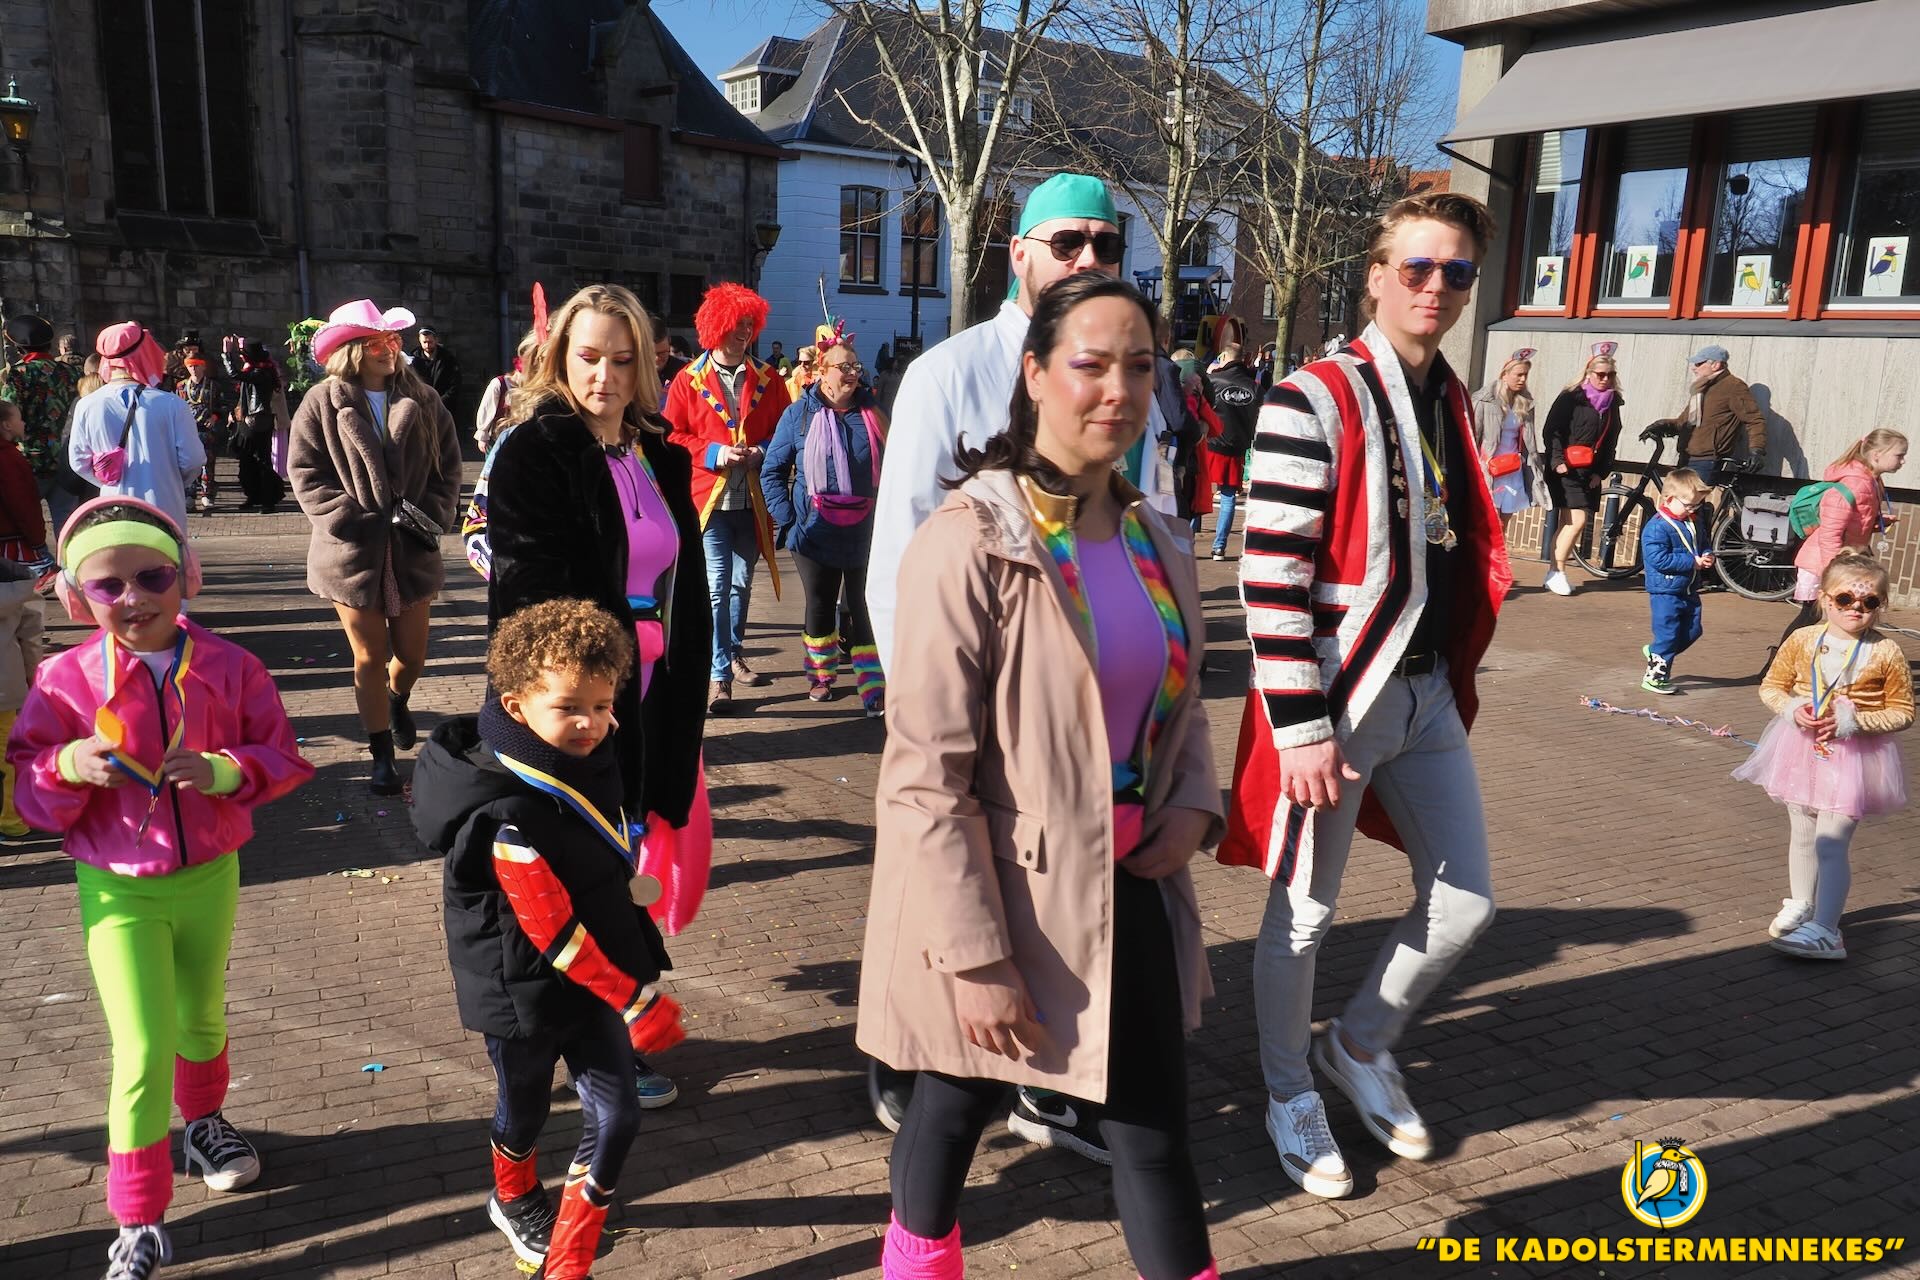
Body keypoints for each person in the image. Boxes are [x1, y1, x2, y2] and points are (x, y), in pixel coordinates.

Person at [858, 273, 1223, 1280]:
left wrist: (1195, 801)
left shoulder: (1156, 537)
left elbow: (1183, 698)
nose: (1119, 390)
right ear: (1034, 373)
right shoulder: (969, 541)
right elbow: (925, 775)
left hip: (1128, 883)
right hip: (1000, 893)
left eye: (1140, 366)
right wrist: (975, 955)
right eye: (1091, 364)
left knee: (1152, 1131)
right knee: (953, 1105)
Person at [1219, 192, 1509, 1200]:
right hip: (1341, 698)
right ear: (1377, 276)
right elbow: (1270, 576)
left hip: (1426, 692)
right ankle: (1288, 1090)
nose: (1437, 287)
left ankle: (1357, 1042)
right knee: (1304, 914)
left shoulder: (1452, 397)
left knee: (1467, 901)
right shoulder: (1312, 396)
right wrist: (1301, 727)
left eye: (1457, 272)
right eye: (1417, 267)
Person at [6, 497, 312, 1280]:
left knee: (201, 1017)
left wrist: (224, 771)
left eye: (153, 577)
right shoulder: (63, 678)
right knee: (142, 1048)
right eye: (108, 585)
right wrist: (68, 764)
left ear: (186, 578)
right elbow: (29, 786)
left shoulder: (232, 666)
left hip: (210, 872)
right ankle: (137, 1219)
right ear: (78, 596)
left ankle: (205, 1123)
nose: (133, 597)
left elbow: (280, 754)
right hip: (118, 889)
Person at [485, 283, 713, 1110]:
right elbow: (529, 599)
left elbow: (683, 583)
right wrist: (581, 704)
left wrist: (679, 684)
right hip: (577, 699)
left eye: (622, 360)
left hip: (655, 690)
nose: (604, 377)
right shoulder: (535, 450)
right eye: (588, 357)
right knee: (579, 874)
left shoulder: (655, 452)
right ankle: (593, 1045)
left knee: (628, 862)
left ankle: (611, 1029)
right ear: (560, 357)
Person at [412, 599, 686, 1279]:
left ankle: (568, 1258)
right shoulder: (506, 811)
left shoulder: (587, 758)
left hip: (592, 983)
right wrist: (635, 1000)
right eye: (569, 707)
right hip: (521, 991)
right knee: (525, 1110)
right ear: (516, 705)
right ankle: (511, 1195)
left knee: (619, 1118)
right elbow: (552, 931)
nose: (591, 723)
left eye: (603, 704)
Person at [869, 172, 1179, 676]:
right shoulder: (946, 375)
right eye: (1066, 243)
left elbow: (1153, 521)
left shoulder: (1130, 383)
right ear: (1019, 254)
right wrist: (922, 696)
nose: (1088, 260)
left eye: (1106, 245)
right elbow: (900, 554)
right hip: (994, 682)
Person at [289, 300, 463, 795]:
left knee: (411, 655)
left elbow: (449, 469)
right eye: (376, 343)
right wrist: (347, 519)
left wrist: (431, 513)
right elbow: (305, 472)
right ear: (351, 350)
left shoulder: (424, 398)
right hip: (352, 552)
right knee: (368, 655)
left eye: (392, 340)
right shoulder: (321, 403)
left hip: (411, 547)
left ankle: (397, 698)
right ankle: (380, 753)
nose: (390, 349)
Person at [1734, 549, 1911, 961]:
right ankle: (1801, 903)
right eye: (1845, 599)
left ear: (1881, 605)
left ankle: (1827, 930)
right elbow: (1772, 686)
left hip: (1854, 757)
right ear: (1824, 598)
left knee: (1830, 843)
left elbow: (1902, 711)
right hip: (1801, 748)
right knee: (1802, 831)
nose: (1856, 609)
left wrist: (1855, 722)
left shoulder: (1886, 651)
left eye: (1869, 602)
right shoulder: (1803, 639)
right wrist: (1792, 708)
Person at [661, 282, 792, 715]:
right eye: (738, 323)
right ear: (716, 324)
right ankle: (719, 676)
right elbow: (672, 436)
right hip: (710, 503)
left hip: (752, 502)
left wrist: (761, 451)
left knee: (741, 584)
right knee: (716, 587)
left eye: (750, 324)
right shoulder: (688, 380)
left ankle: (733, 653)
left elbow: (785, 432)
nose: (745, 331)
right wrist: (716, 453)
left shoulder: (769, 378)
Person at [761, 325, 887, 716]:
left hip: (866, 531)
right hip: (813, 532)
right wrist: (790, 522)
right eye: (843, 366)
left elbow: (896, 468)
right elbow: (772, 472)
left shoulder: (873, 414)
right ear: (821, 371)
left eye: (855, 366)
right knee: (820, 603)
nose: (852, 373)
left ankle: (872, 683)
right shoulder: (798, 415)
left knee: (864, 606)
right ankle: (820, 675)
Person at [69, 323, 207, 533]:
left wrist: (110, 481)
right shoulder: (173, 404)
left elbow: (78, 461)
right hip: (164, 508)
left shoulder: (87, 405)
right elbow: (193, 459)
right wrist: (170, 480)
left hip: (113, 509)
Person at [1778, 429, 1907, 643]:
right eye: (1899, 455)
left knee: (1835, 617)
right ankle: (1780, 658)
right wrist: (1832, 573)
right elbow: (1830, 534)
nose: (1903, 461)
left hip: (1842, 563)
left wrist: (1876, 523)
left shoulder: (1871, 481)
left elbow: (1853, 522)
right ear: (1877, 454)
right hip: (1824, 563)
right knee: (1811, 616)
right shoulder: (1854, 484)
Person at [1540, 342, 1624, 597]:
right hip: (1566, 469)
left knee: (1568, 522)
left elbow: (1611, 439)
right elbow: (1552, 430)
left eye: (1610, 375)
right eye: (1601, 374)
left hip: (1588, 471)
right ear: (1589, 373)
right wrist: (1557, 460)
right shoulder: (1571, 397)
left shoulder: (1612, 403)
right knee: (1577, 521)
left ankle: (1553, 573)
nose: (1605, 379)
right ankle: (1557, 571)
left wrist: (1601, 472)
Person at [0, 399, 47, 839]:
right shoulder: (10, 460)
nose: (23, 422)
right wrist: (37, 540)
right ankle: (12, 819)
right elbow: (23, 504)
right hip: (6, 687)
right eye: (17, 416)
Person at [1, 312, 87, 534]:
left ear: (19, 348)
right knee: (67, 523)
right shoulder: (71, 372)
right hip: (67, 457)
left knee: (25, 520)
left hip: (31, 459)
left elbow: (7, 415)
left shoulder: (19, 374)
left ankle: (38, 556)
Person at [1638, 468, 1714, 695]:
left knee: (1693, 630)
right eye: (1689, 505)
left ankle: (1656, 651)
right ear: (1670, 499)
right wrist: (1692, 562)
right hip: (1665, 590)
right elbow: (1658, 559)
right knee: (1668, 634)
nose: (1692, 510)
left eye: (1696, 506)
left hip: (1688, 587)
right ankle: (1655, 677)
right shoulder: (1657, 526)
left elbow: (1702, 543)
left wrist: (1707, 554)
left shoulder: (1692, 521)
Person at [1471, 347, 1547, 541]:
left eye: (1525, 375)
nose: (1522, 379)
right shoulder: (1485, 400)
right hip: (1490, 469)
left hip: (1513, 469)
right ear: (1505, 374)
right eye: (1518, 374)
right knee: (1491, 522)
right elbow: (1473, 435)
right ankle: (1489, 557)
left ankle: (1500, 555)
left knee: (1504, 523)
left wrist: (1535, 466)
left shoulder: (1525, 403)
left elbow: (1528, 441)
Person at [220, 338, 289, 513]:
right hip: (248, 421)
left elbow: (234, 374)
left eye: (244, 355)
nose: (242, 357)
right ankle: (253, 496)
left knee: (262, 461)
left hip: (259, 422)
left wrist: (227, 354)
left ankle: (268, 500)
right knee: (247, 461)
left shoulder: (261, 373)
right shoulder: (254, 371)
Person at [1202, 344, 1257, 561]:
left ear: (1224, 356)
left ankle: (1190, 536)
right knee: (1228, 496)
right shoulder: (1254, 386)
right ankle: (1219, 547)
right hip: (1236, 447)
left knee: (1200, 488)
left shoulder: (1213, 381)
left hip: (1211, 441)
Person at [176, 358, 231, 513]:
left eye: (196, 366)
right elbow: (175, 408)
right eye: (190, 366)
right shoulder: (181, 387)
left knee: (207, 462)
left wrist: (215, 417)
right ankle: (189, 495)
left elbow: (223, 405)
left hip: (207, 431)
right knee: (189, 462)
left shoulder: (213, 386)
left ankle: (207, 493)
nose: (194, 369)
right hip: (187, 431)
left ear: (203, 366)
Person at [476, 331, 539, 454]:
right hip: (497, 438)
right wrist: (482, 434)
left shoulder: (531, 387)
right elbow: (486, 408)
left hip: (520, 439)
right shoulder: (499, 384)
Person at [408, 325, 465, 419]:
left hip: (444, 410)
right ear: (419, 341)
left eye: (430, 342)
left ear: (436, 340)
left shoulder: (448, 359)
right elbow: (409, 384)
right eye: (424, 342)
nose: (427, 345)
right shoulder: (413, 360)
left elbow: (455, 386)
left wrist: (438, 403)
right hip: (421, 410)